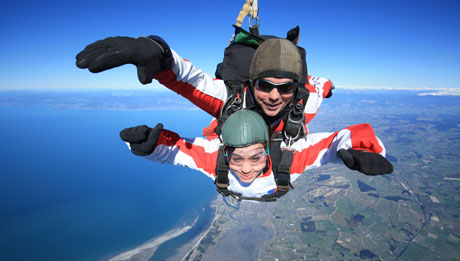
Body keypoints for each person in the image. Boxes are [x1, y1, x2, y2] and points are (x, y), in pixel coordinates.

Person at [76, 32, 333, 140]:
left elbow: (319, 85)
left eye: (286, 88)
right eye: (265, 85)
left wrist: (328, 86)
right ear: (250, 83)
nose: (275, 96)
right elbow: (193, 81)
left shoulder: (305, 103)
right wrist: (160, 56)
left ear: (296, 88)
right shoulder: (232, 100)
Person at [119, 110, 393, 201]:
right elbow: (176, 150)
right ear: (226, 152)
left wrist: (363, 149)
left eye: (256, 157)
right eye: (237, 158)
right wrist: (146, 146)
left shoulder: (290, 158)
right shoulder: (215, 159)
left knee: (310, 99)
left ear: (267, 150)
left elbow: (336, 142)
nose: (246, 168)